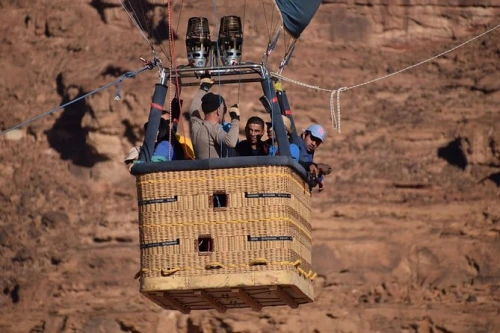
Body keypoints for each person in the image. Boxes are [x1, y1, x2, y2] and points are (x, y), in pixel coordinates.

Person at [189, 77, 240, 159]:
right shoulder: (214, 129)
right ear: (218, 111)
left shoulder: (196, 125)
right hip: (214, 171)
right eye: (223, 109)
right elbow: (231, 142)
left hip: (200, 170)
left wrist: (204, 88)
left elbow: (193, 108)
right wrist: (235, 118)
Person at [296, 123, 332, 192]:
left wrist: (319, 178)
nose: (314, 143)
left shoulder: (308, 148)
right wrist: (319, 178)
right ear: (304, 135)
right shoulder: (298, 145)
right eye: (312, 138)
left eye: (318, 141)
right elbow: (306, 164)